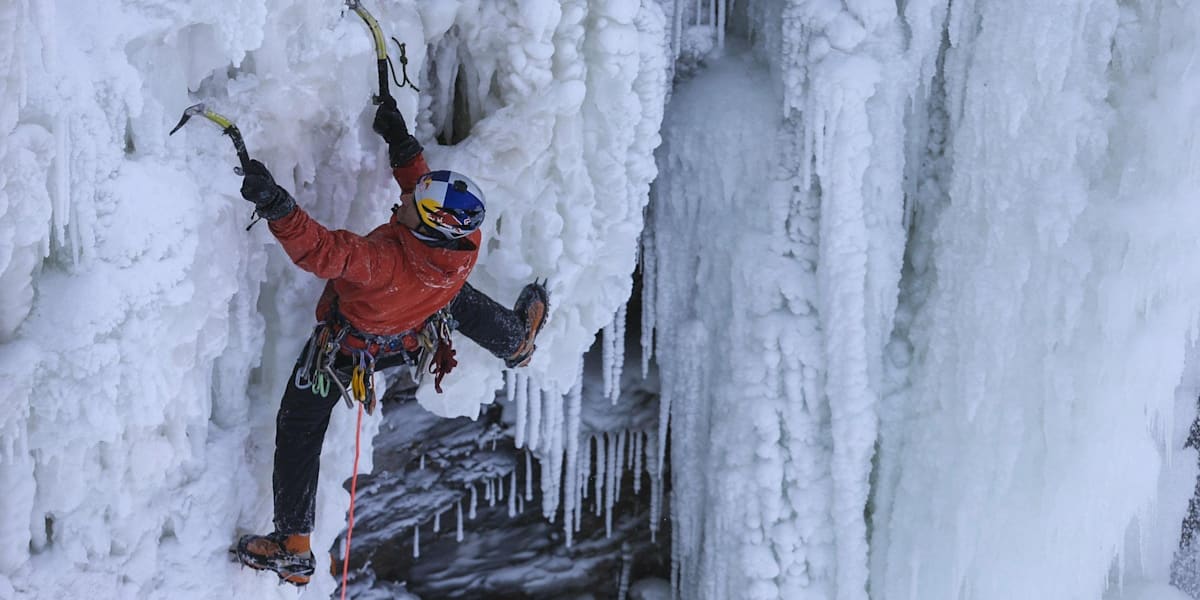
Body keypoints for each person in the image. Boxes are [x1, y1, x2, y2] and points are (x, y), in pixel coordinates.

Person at [232, 99, 548, 585]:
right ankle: (514, 341)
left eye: (410, 204)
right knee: (456, 299)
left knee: (299, 423)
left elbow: (322, 251)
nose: (400, 201)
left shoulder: (381, 261)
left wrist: (279, 207)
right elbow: (423, 196)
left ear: (423, 224)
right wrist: (402, 147)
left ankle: (293, 545)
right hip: (414, 325)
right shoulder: (461, 245)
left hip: (346, 351)